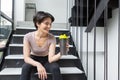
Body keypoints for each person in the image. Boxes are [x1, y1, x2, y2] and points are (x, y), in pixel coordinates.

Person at [20, 11, 63, 80]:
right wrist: (38, 64)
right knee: (25, 67)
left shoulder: (52, 38)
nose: (49, 26)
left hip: (46, 60)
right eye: (46, 23)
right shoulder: (28, 37)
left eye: (50, 24)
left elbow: (51, 59)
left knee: (55, 68)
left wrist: (62, 51)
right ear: (38, 23)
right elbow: (26, 58)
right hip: (33, 59)